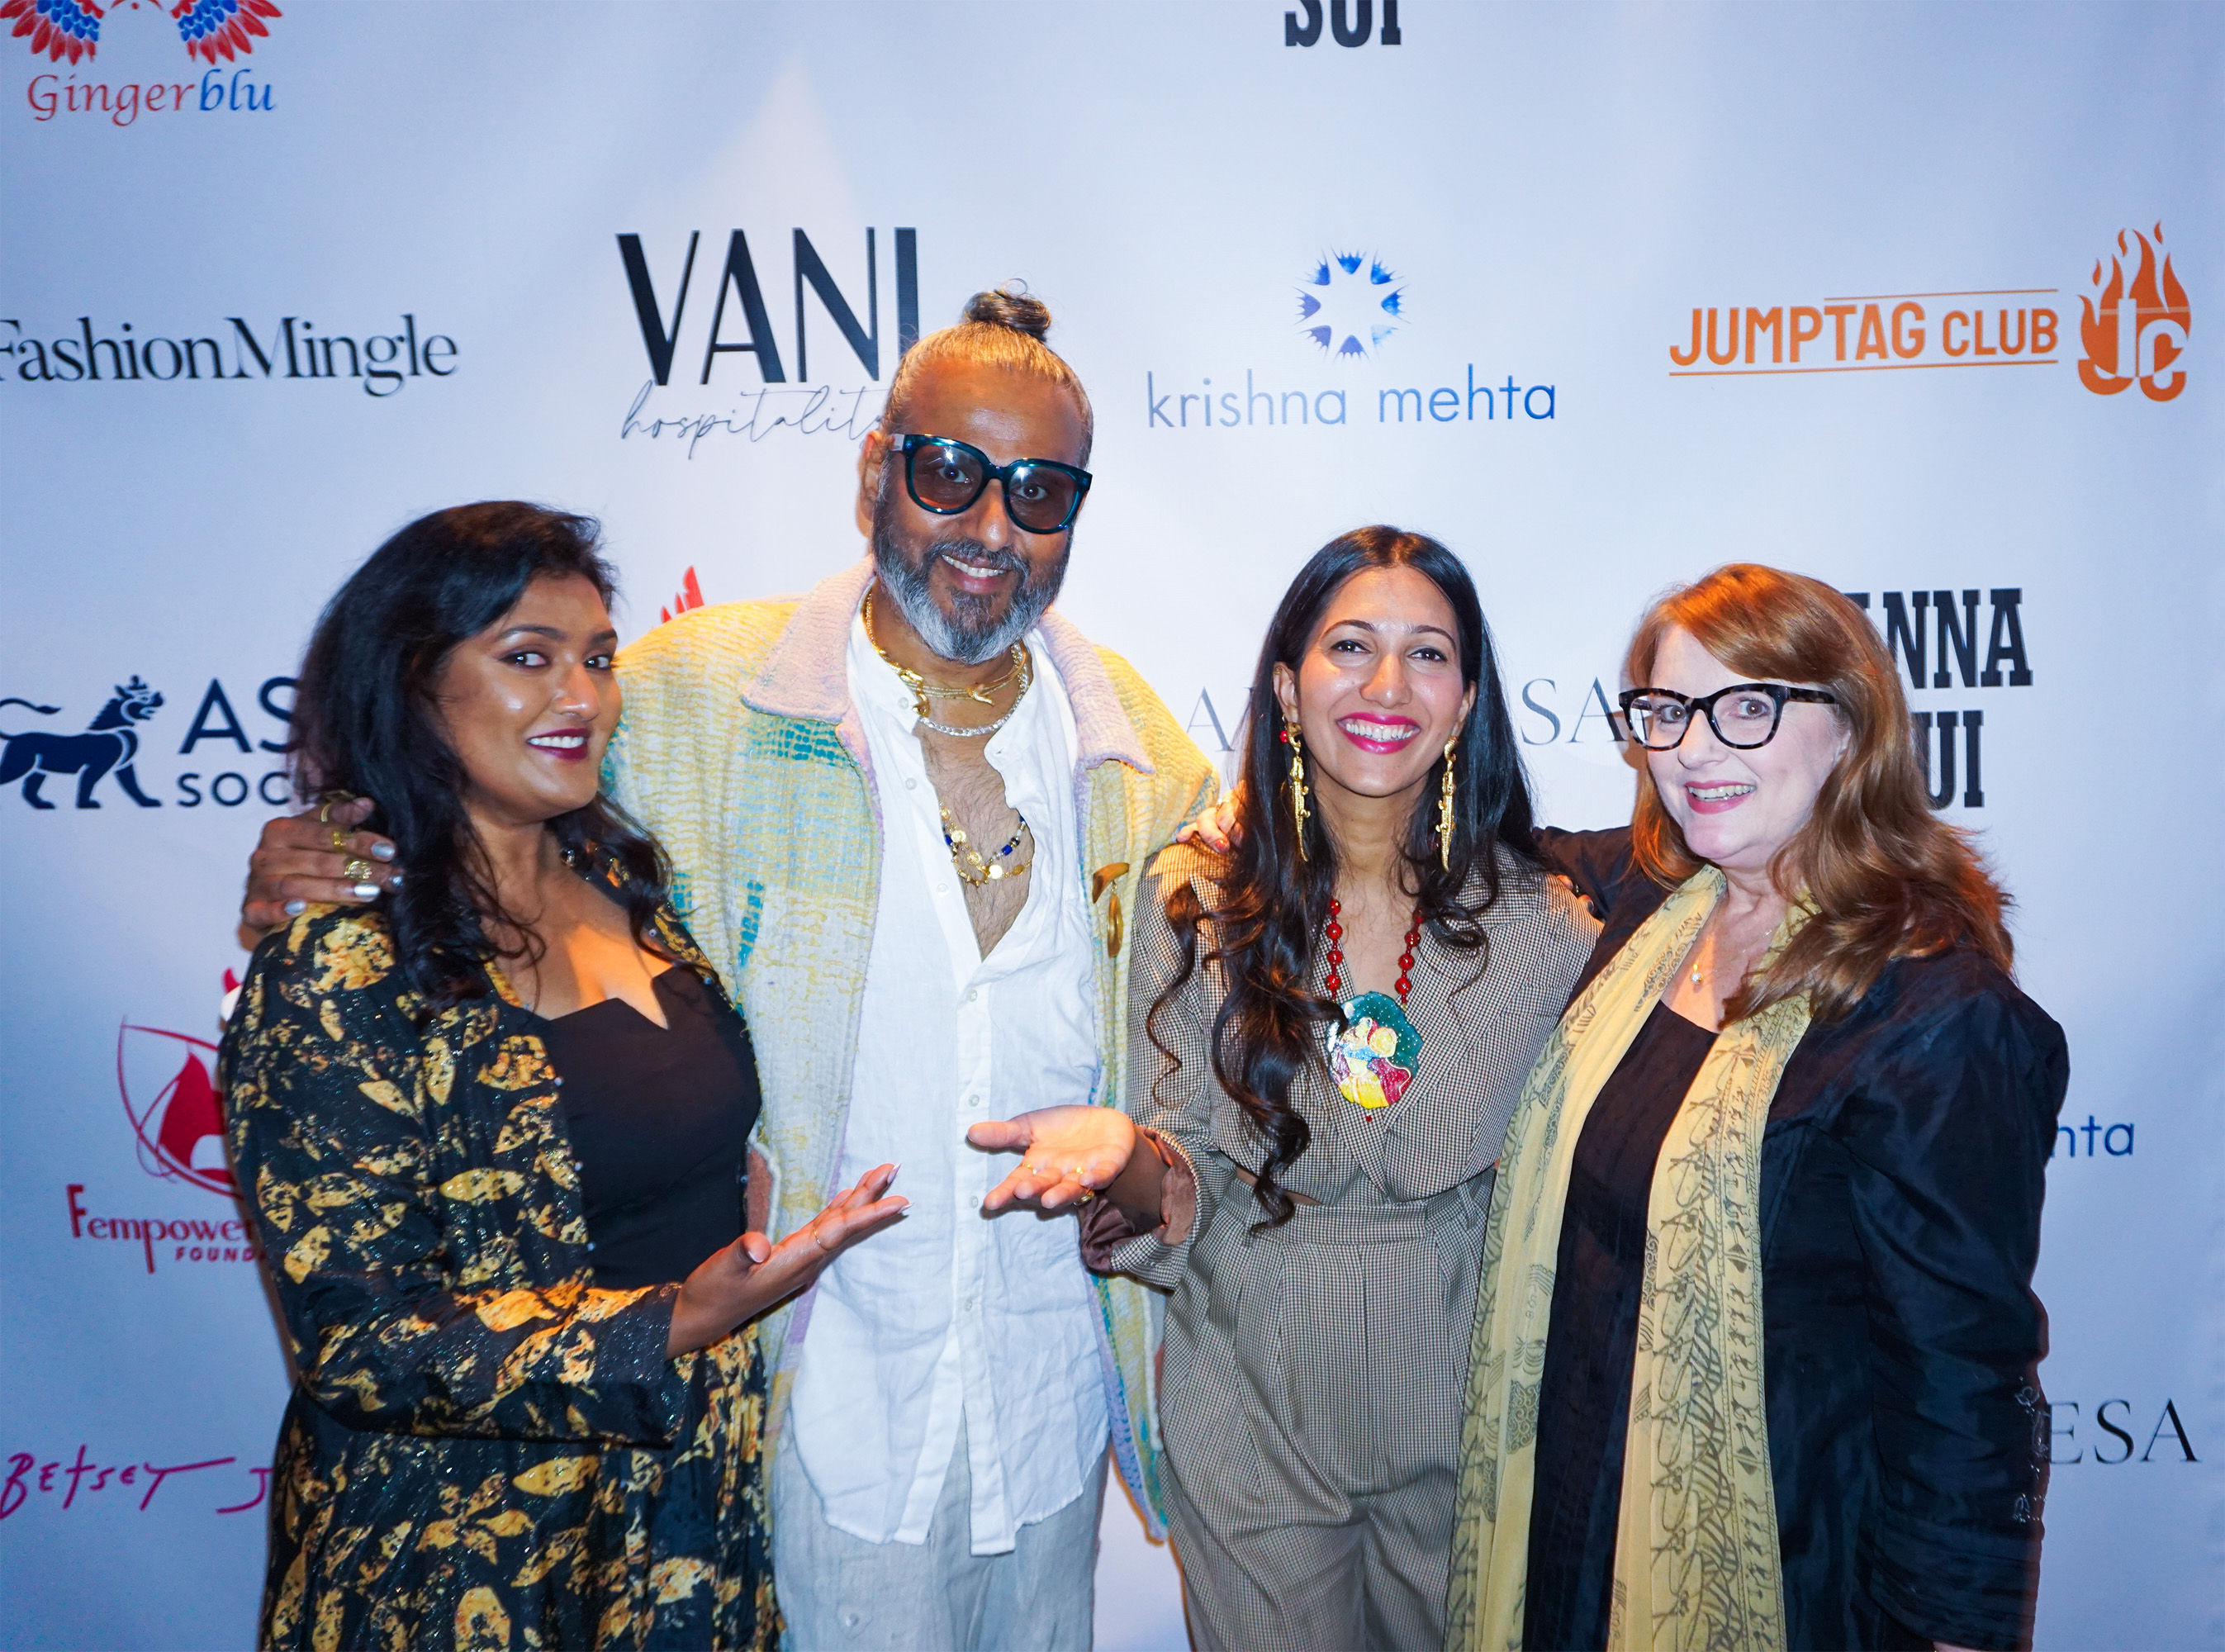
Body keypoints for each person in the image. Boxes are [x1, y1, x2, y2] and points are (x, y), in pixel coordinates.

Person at [239, 293, 1219, 1650]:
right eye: (950, 474)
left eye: (1041, 493)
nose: (992, 528)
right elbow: (485, 792)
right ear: (877, 470)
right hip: (799, 1417)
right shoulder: (700, 695)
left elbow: (1210, 1019)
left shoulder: (1142, 751)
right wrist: (321, 852)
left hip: (1044, 1407)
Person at [220, 503, 905, 1650]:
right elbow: (356, 1340)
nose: (579, 696)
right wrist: (672, 1321)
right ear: (409, 683)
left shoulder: (632, 879)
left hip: (684, 1518)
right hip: (457, 1553)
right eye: (526, 659)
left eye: (596, 658)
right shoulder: (340, 962)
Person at [969, 528, 1599, 1650]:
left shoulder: (1544, 929)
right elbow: (1189, 1170)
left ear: (1463, 703)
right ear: (1283, 683)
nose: (1384, 686)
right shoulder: (1195, 903)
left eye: (1427, 656)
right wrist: (1122, 1156)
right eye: (1348, 645)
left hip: (1469, 1410)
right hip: (1247, 1407)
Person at [1446, 563, 2066, 1652]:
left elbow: (1961, 1380)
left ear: (1849, 728)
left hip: (1788, 1571)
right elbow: (1444, 852)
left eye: (1746, 708)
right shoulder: (1653, 905)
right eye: (1667, 712)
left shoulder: (1932, 1012)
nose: (1692, 751)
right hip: (1571, 1535)